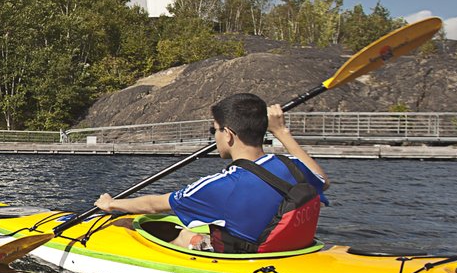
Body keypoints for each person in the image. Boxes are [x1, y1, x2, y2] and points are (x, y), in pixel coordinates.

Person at [95, 93, 328, 251]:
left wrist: (112, 204)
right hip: (287, 249)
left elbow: (154, 205)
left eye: (214, 129)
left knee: (178, 233)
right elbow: (322, 181)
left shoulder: (222, 185)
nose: (214, 136)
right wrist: (282, 132)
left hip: (248, 256)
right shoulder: (288, 165)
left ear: (228, 134)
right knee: (196, 226)